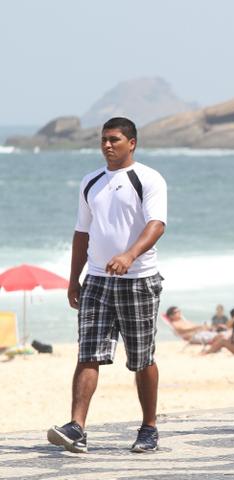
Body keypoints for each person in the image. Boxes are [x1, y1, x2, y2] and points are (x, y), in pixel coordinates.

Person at [47, 117, 167, 454]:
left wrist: (129, 255)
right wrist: (74, 278)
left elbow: (157, 225)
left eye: (114, 139)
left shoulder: (148, 179)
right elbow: (82, 234)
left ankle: (149, 427)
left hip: (139, 280)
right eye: (103, 140)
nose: (107, 145)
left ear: (132, 143)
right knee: (88, 353)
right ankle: (76, 427)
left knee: (141, 359)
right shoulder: (91, 181)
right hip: (97, 280)